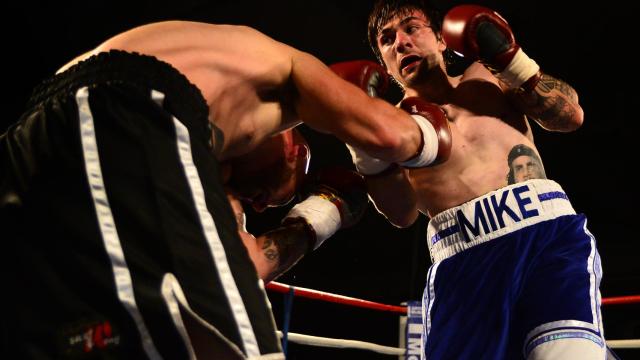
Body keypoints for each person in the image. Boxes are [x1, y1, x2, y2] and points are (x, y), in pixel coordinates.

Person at [0, 21, 444, 359]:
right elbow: (393, 137)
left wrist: (318, 216)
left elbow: (240, 270)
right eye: (269, 193)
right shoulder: (286, 66)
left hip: (31, 146)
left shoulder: (204, 159)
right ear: (291, 147)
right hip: (122, 105)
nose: (254, 202)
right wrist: (430, 126)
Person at [346, 0, 609, 358]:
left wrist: (511, 61)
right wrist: (362, 141)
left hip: (545, 239)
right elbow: (400, 214)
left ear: (441, 39)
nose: (401, 42)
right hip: (462, 265)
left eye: (411, 28)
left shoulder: (486, 77)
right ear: (384, 64)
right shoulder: (392, 129)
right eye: (387, 39)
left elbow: (570, 116)